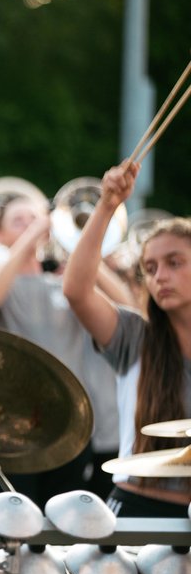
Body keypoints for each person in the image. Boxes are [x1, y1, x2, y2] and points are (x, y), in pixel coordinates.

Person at [0, 192, 131, 506]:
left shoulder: (63, 282)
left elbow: (127, 309)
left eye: (35, 218)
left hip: (68, 424)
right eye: (19, 220)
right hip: (13, 426)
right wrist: (32, 234)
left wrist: (81, 245)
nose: (32, 224)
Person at [63, 161, 191, 517]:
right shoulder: (135, 335)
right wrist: (107, 205)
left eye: (174, 262)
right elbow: (76, 291)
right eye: (150, 268)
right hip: (136, 508)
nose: (159, 277)